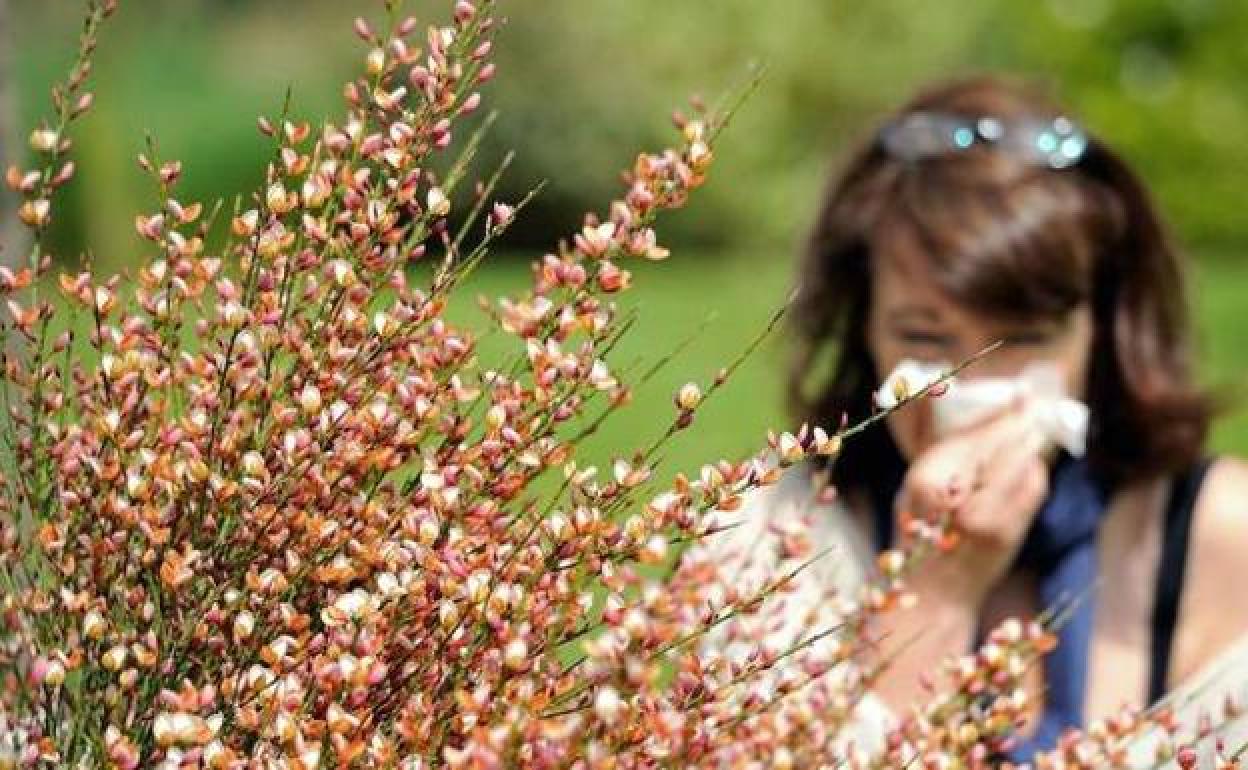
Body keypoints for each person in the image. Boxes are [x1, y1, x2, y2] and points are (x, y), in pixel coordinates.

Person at [725, 75, 1248, 761]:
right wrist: (934, 594)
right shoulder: (781, 536)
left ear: (1102, 333)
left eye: (1025, 339)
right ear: (863, 333)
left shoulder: (1221, 537)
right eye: (926, 337)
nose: (973, 387)